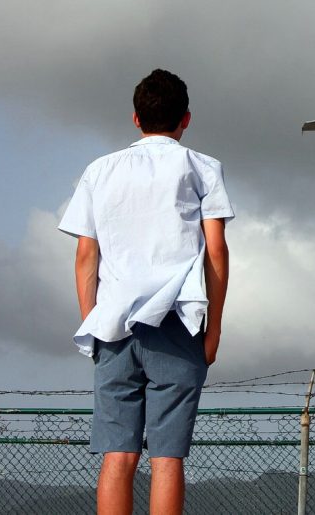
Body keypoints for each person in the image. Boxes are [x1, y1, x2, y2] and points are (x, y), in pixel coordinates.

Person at [59, 69, 233, 515]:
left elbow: (85, 254)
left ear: (136, 119)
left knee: (118, 455)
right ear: (186, 119)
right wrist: (212, 331)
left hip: (113, 323)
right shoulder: (202, 168)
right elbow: (216, 250)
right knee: (167, 458)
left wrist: (92, 322)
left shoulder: (100, 170)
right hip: (177, 322)